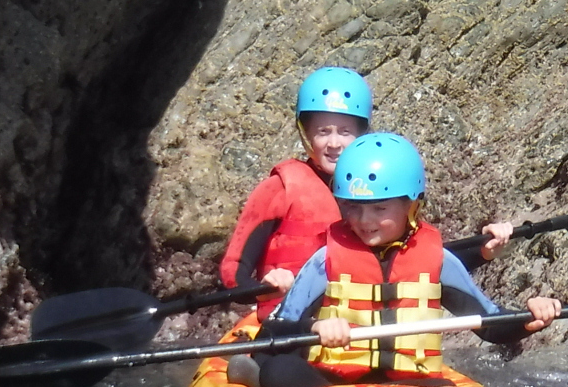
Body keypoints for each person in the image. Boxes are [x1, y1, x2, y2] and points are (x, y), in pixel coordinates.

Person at [233, 133, 560, 387]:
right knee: (279, 372)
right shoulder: (324, 261)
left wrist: (529, 319)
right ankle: (256, 380)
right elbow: (273, 332)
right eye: (353, 207)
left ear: (411, 206)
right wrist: (314, 328)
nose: (364, 220)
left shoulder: (438, 260)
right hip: (333, 386)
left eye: (380, 209)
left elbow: (490, 324)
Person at [220, 67, 517, 316]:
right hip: (288, 324)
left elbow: (419, 262)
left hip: (354, 326)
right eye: (323, 132)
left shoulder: (382, 188)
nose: (334, 144)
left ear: (362, 133)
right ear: (305, 133)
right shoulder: (280, 188)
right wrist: (265, 287)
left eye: (345, 132)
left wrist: (482, 250)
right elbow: (233, 272)